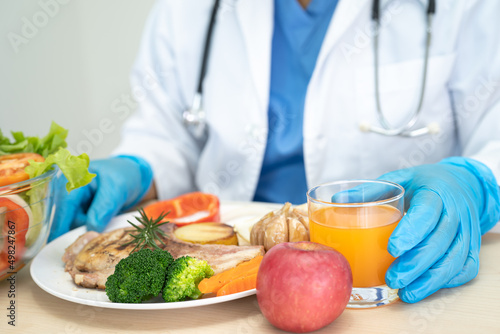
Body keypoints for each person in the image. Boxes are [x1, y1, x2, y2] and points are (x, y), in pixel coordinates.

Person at [50, 0, 500, 304]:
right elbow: (170, 130)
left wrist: (475, 181)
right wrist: (135, 167)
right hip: (227, 286)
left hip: (382, 281)